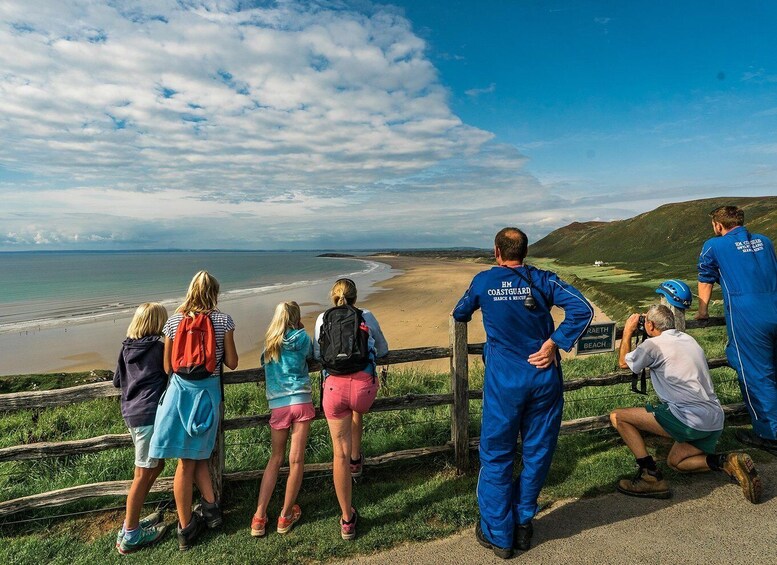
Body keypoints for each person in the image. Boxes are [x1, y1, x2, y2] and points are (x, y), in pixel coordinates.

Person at [452, 227, 593, 559]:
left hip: (504, 383)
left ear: (497, 251)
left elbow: (460, 311)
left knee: (496, 455)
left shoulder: (484, 280)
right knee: (537, 452)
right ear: (524, 252)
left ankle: (498, 533)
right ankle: (523, 523)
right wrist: (554, 343)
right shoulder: (542, 279)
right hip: (543, 377)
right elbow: (582, 309)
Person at [610, 304, 761, 503]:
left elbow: (624, 363)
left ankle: (650, 476)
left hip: (688, 419)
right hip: (714, 419)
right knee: (676, 462)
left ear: (651, 325)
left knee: (618, 416)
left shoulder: (653, 345)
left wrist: (628, 331)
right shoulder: (689, 339)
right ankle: (726, 462)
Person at [148, 271, 238, 551]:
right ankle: (196, 521)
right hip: (207, 396)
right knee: (191, 459)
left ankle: (198, 518)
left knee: (189, 459)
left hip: (179, 396)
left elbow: (167, 368)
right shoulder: (224, 320)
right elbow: (233, 362)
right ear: (215, 292)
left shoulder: (174, 322)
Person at [696, 205, 777, 454]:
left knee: (755, 374)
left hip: (748, 315)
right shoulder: (764, 241)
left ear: (718, 226)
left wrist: (703, 312)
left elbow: (705, 278)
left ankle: (769, 435)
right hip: (773, 304)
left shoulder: (714, 245)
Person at [313, 278, 388, 540]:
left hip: (334, 390)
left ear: (333, 296)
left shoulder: (323, 318)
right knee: (356, 409)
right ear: (356, 296)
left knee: (338, 453)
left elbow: (317, 353)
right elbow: (384, 348)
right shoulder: (366, 315)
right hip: (364, 391)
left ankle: (347, 519)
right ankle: (357, 461)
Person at [251, 301, 315, 537]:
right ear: (296, 318)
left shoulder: (270, 343)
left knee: (275, 458)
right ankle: (285, 515)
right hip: (300, 401)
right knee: (296, 460)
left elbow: (262, 362)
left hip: (278, 405)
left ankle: (259, 517)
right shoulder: (302, 338)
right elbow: (311, 355)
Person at [112, 303, 169, 554]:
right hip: (148, 414)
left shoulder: (126, 348)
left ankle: (130, 523)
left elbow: (117, 381)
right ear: (157, 324)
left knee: (155, 466)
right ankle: (131, 534)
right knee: (143, 474)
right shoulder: (158, 348)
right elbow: (171, 372)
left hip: (131, 414)